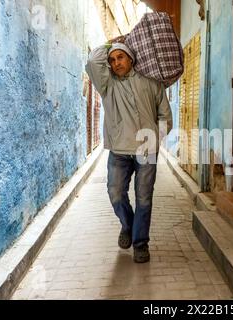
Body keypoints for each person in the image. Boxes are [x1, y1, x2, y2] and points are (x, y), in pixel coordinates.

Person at [85, 38, 172, 263]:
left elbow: (165, 116)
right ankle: (128, 225)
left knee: (144, 199)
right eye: (112, 60)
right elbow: (94, 60)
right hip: (119, 151)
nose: (116, 63)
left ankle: (140, 243)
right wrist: (110, 44)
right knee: (115, 193)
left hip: (146, 151)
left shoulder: (151, 82)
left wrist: (155, 139)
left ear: (131, 58)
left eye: (120, 57)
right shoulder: (107, 85)